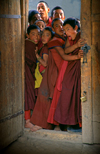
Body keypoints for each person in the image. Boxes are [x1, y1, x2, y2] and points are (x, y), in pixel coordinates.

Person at [28, 18, 83, 132]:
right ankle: (51, 124)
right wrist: (77, 56)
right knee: (52, 97)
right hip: (56, 74)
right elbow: (64, 55)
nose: (61, 28)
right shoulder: (54, 42)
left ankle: (62, 125)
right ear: (53, 29)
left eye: (62, 26)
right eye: (57, 26)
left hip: (63, 72)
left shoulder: (63, 39)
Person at [53, 17, 86, 131]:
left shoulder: (82, 35)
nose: (66, 32)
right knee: (67, 96)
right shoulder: (70, 39)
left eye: (68, 29)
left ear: (76, 28)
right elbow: (66, 51)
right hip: (70, 69)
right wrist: (76, 46)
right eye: (65, 30)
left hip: (82, 69)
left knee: (80, 95)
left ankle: (80, 123)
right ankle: (67, 123)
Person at [25, 24, 40, 128]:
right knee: (28, 95)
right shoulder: (28, 44)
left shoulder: (36, 45)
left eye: (38, 34)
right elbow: (31, 60)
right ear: (27, 35)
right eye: (33, 34)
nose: (36, 37)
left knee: (29, 94)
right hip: (26, 73)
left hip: (29, 73)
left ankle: (31, 119)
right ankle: (27, 121)